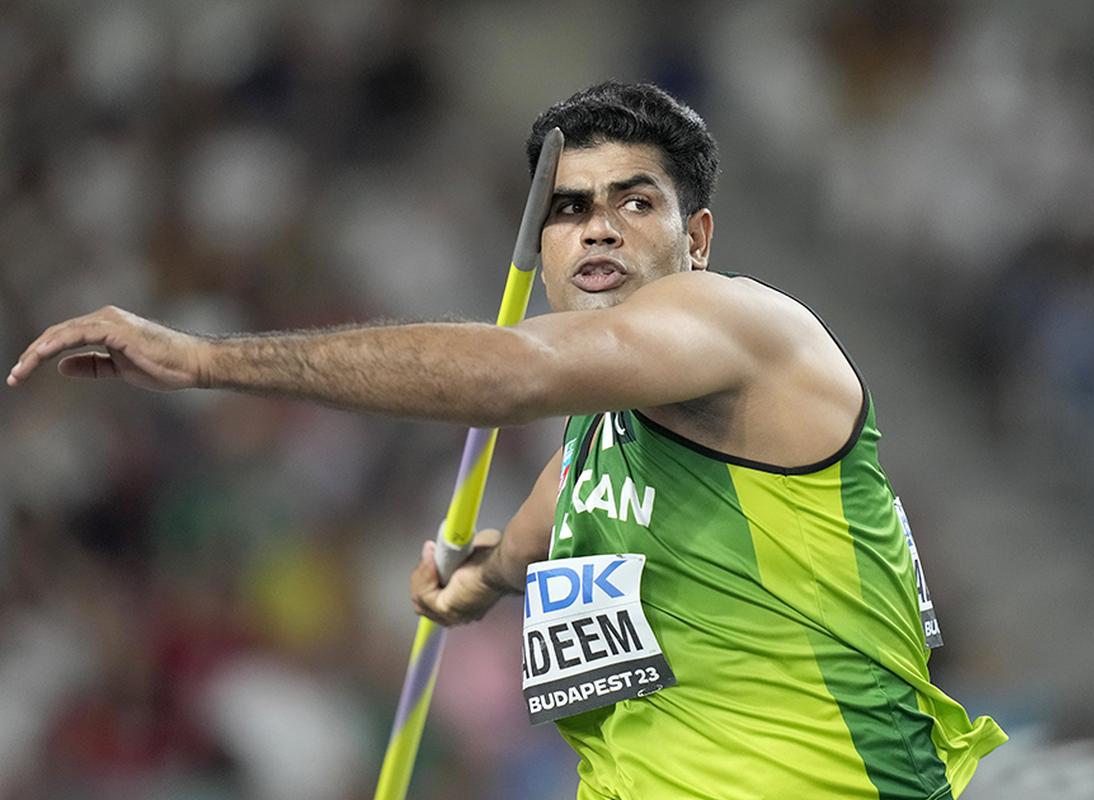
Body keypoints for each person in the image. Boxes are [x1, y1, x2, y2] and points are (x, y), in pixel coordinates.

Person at [7, 81, 1005, 799]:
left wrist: (210, 360)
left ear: (696, 240)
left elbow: (515, 370)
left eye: (635, 202)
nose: (599, 229)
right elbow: (540, 525)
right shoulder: (603, 437)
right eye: (569, 209)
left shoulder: (743, 328)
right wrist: (480, 575)